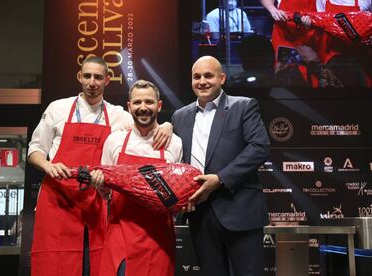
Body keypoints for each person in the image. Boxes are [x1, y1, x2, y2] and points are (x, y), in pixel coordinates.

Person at [28, 57, 172, 276]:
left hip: (97, 202)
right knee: (56, 264)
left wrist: (168, 125)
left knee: (97, 264)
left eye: (97, 77)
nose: (92, 82)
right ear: (80, 77)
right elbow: (35, 149)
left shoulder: (118, 115)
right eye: (87, 76)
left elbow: (146, 124)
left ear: (107, 80)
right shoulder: (58, 108)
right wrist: (48, 165)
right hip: (58, 200)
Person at [172, 56, 270, 276]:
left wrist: (220, 179)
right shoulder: (179, 117)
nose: (202, 81)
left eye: (209, 75)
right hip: (200, 213)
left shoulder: (243, 105)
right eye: (197, 76)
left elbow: (259, 147)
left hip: (240, 209)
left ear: (222, 78)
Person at [90, 79, 183, 276]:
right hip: (120, 232)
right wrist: (100, 184)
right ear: (129, 106)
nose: (143, 108)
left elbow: (175, 194)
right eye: (137, 102)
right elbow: (107, 192)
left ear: (159, 105)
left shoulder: (174, 143)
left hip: (159, 238)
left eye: (149, 102)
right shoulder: (114, 140)